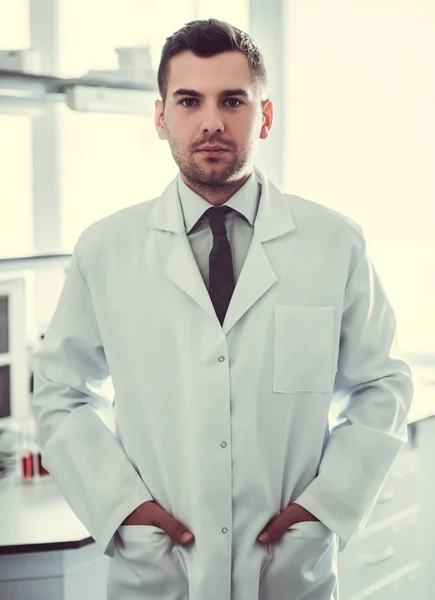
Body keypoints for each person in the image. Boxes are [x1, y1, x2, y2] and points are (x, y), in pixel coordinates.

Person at [29, 18, 414, 600]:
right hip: (157, 573)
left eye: (233, 100)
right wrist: (121, 506)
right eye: (189, 100)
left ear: (264, 116)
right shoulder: (106, 249)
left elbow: (382, 384)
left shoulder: (334, 243)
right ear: (161, 118)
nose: (211, 121)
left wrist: (323, 508)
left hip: (289, 571)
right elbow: (60, 392)